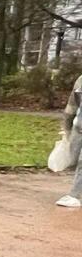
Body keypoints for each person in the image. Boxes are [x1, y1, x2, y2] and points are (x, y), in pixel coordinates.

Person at [55, 71, 82, 208]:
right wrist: (66, 127)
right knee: (73, 160)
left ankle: (75, 195)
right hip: (79, 129)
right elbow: (72, 104)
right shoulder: (81, 81)